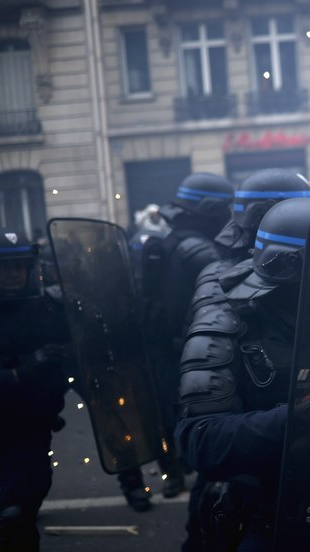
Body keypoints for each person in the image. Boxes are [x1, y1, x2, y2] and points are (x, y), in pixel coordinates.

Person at [174, 168, 310, 552]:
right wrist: (295, 417)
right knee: (220, 499)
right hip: (265, 483)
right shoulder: (223, 281)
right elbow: (206, 436)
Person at [118, 172, 235, 512]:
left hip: (166, 345)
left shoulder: (164, 241)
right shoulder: (196, 249)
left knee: (173, 414)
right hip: (187, 345)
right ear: (211, 210)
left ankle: (175, 472)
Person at [0, 227, 70, 552]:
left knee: (15, 519)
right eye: (3, 268)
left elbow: (85, 362)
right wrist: (19, 374)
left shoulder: (49, 308)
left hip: (27, 430)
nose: (13, 274)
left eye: (20, 265)